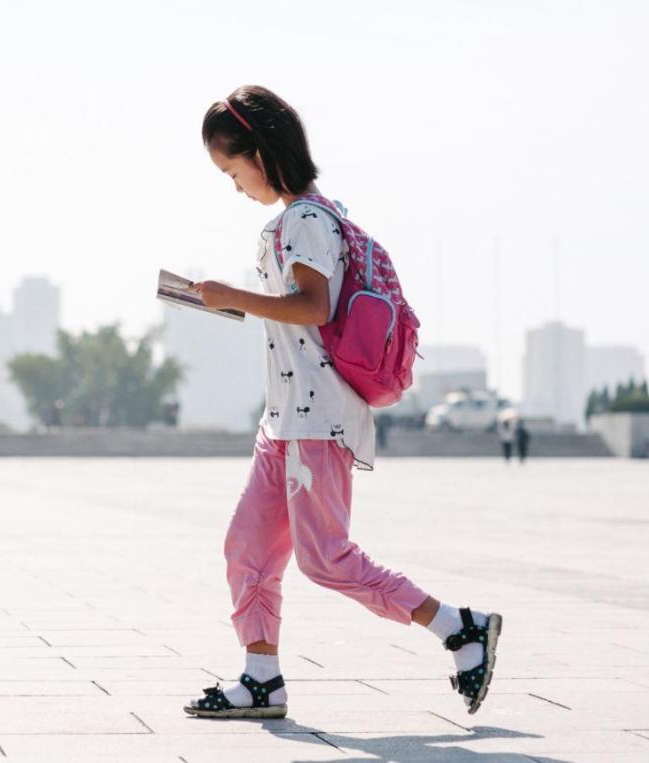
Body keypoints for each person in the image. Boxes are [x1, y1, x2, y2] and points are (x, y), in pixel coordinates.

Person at [184, 86, 502, 720]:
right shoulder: (300, 218)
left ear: (259, 152)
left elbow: (314, 307)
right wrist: (228, 302)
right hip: (283, 420)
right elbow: (300, 318)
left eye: (231, 169)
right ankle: (260, 679)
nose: (234, 185)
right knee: (247, 547)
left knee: (325, 558)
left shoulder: (305, 218)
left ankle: (460, 628)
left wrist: (236, 296)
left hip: (317, 417)